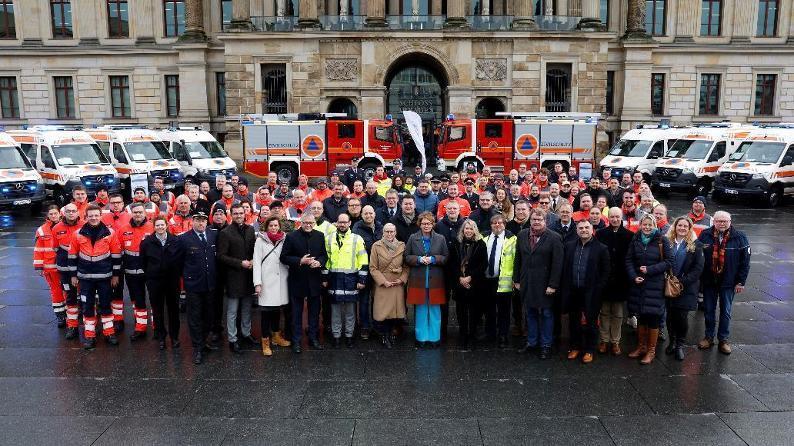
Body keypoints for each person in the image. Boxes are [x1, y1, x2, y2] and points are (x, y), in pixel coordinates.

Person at [68, 205, 122, 350]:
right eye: (90, 215)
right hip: (85, 278)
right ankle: (90, 336)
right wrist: (73, 275)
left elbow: (116, 256)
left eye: (96, 215)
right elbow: (72, 256)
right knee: (87, 307)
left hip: (105, 277)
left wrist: (116, 275)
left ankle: (109, 333)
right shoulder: (77, 234)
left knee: (105, 305)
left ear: (100, 216)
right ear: (86, 217)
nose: (93, 218)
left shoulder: (110, 233)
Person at [697, 211, 751, 355]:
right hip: (709, 280)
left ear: (730, 221)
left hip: (729, 281)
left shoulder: (740, 237)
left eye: (725, 221)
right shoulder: (704, 235)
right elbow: (697, 256)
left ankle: (723, 340)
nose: (722, 224)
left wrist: (741, 282)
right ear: (714, 221)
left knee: (726, 311)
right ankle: (709, 337)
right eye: (719, 221)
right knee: (708, 310)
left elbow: (745, 262)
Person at [514, 209, 564, 360]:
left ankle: (546, 345)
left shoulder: (555, 237)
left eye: (539, 220)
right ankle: (532, 342)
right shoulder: (522, 235)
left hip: (545, 284)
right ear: (530, 220)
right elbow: (518, 259)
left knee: (547, 314)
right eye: (534, 219)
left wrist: (553, 285)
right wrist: (516, 280)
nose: (536, 222)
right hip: (527, 282)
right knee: (530, 313)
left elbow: (557, 263)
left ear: (545, 221)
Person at [625, 214, 673, 365]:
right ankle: (641, 347)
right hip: (639, 284)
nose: (646, 227)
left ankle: (651, 351)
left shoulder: (662, 240)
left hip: (655, 284)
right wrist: (634, 276)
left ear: (654, 226)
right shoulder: (636, 239)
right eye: (644, 225)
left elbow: (669, 261)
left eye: (649, 225)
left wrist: (650, 270)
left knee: (653, 317)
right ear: (641, 225)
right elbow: (629, 259)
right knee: (641, 315)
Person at [561, 220, 610, 364]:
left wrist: (598, 288)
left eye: (586, 227)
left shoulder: (601, 248)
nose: (583, 230)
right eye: (580, 228)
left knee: (591, 322)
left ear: (592, 229)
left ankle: (589, 350)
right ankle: (575, 346)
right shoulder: (569, 246)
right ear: (576, 230)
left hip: (591, 292)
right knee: (574, 321)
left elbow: (606, 272)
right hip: (573, 291)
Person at [280, 213, 328, 353]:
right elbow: (284, 257)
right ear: (300, 222)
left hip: (314, 280)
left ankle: (313, 338)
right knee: (296, 313)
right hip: (297, 280)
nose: (308, 225)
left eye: (311, 223)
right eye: (306, 222)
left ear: (314, 223)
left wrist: (319, 262)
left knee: (314, 313)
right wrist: (300, 261)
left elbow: (324, 255)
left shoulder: (319, 236)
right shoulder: (291, 236)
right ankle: (296, 341)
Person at [176, 211, 219, 365]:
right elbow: (179, 263)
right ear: (192, 221)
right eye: (198, 221)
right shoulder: (183, 239)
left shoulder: (213, 235)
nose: (201, 224)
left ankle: (203, 341)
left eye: (203, 221)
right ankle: (197, 347)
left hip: (210, 283)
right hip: (193, 284)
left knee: (208, 316)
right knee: (194, 317)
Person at [322, 213, 368, 348]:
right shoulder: (328, 239)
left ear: (349, 223)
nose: (342, 224)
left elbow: (363, 261)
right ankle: (336, 336)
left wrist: (362, 280)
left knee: (350, 311)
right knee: (335, 311)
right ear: (336, 223)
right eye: (340, 222)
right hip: (334, 279)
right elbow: (325, 261)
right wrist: (324, 277)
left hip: (351, 280)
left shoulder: (357, 239)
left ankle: (349, 336)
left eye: (345, 222)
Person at [405, 212, 449, 348]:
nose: (426, 226)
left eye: (429, 223)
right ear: (419, 224)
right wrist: (418, 259)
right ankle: (421, 338)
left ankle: (434, 338)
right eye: (424, 223)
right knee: (421, 310)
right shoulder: (413, 238)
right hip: (418, 280)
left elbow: (446, 256)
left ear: (433, 224)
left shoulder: (440, 238)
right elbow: (406, 257)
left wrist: (434, 259)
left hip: (436, 280)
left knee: (435, 310)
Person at [217, 203, 257, 353]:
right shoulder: (226, 232)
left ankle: (246, 334)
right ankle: (233, 339)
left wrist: (254, 260)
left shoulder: (250, 229)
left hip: (248, 276)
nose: (239, 216)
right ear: (231, 215)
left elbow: (253, 249)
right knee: (232, 311)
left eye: (241, 213)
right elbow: (221, 256)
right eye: (236, 213)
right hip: (234, 277)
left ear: (245, 214)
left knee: (247, 308)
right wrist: (240, 263)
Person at [664, 217, 705, 361]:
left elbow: (698, 269)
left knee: (681, 317)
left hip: (685, 288)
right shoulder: (667, 242)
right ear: (675, 227)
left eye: (685, 226)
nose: (681, 228)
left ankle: (680, 344)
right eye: (679, 225)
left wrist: (681, 282)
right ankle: (672, 342)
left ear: (689, 228)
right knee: (669, 316)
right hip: (668, 286)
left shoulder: (696, 245)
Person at [595, 207, 634, 355]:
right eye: (612, 217)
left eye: (617, 217)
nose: (615, 219)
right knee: (604, 312)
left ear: (621, 217)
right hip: (604, 279)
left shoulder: (630, 235)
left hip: (621, 280)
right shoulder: (600, 234)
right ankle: (604, 340)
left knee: (618, 313)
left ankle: (615, 341)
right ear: (608, 218)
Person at [253, 216, 291, 357]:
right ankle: (265, 342)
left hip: (281, 280)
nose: (274, 228)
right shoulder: (260, 240)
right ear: (266, 227)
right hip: (266, 282)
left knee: (276, 311)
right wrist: (257, 283)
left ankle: (276, 337)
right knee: (266, 313)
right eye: (271, 225)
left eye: (276, 225)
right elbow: (256, 262)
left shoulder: (284, 239)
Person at [141, 216, 181, 350]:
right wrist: (150, 275)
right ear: (154, 227)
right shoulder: (147, 242)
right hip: (155, 281)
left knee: (173, 310)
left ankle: (174, 337)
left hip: (172, 281)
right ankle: (161, 337)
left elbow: (180, 260)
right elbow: (143, 262)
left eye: (162, 225)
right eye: (157, 225)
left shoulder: (175, 241)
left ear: (166, 226)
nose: (160, 227)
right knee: (157, 311)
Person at [118, 202, 154, 340]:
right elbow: (118, 251)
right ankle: (140, 328)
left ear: (145, 213)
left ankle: (157, 328)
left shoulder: (152, 227)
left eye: (140, 212)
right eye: (135, 212)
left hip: (151, 272)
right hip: (131, 272)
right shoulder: (123, 229)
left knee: (154, 300)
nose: (138, 214)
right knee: (137, 300)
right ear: (131, 213)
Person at [369, 223, 408, 349]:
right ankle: (384, 335)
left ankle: (391, 333)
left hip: (397, 283)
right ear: (383, 232)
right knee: (382, 311)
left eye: (392, 231)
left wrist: (402, 279)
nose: (389, 234)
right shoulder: (376, 246)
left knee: (394, 311)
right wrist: (382, 281)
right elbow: (373, 268)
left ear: (395, 232)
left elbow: (407, 267)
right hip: (383, 283)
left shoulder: (402, 246)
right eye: (387, 231)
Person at [451, 219, 487, 349]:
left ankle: (471, 335)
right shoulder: (456, 243)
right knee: (460, 311)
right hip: (459, 283)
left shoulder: (480, 244)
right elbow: (452, 263)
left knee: (473, 311)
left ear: (475, 230)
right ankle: (462, 335)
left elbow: (483, 264)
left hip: (474, 283)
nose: (469, 231)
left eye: (471, 228)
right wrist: (460, 278)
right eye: (466, 228)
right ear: (462, 230)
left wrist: (470, 277)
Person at [53, 204, 83, 339]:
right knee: (70, 298)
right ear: (63, 213)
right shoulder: (56, 228)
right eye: (68, 211)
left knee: (87, 298)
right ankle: (72, 326)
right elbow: (55, 248)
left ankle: (90, 326)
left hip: (83, 269)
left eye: (73, 211)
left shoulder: (84, 225)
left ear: (78, 213)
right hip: (65, 270)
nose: (71, 213)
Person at [34, 205, 67, 328]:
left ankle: (71, 314)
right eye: (51, 214)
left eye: (55, 213)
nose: (53, 216)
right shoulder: (42, 230)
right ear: (47, 215)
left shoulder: (65, 227)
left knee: (68, 291)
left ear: (59, 213)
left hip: (65, 266)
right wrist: (39, 266)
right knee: (56, 292)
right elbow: (38, 250)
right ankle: (60, 316)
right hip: (50, 268)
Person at [487, 214, 517, 349]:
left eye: (499, 223)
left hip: (504, 281)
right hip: (487, 281)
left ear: (504, 224)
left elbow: (517, 260)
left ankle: (503, 335)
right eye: (494, 223)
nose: (497, 225)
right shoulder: (484, 237)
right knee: (489, 309)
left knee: (504, 311)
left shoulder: (512, 239)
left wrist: (515, 279)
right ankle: (491, 334)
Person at [353, 205, 382, 339]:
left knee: (378, 300)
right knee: (364, 300)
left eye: (371, 213)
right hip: (364, 269)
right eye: (366, 213)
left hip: (378, 270)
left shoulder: (380, 227)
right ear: (361, 215)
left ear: (374, 214)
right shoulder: (357, 229)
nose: (369, 215)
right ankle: (364, 326)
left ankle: (377, 325)